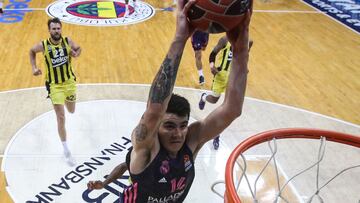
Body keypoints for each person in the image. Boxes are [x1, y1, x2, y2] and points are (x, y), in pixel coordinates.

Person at [119, 0, 252, 201]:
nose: (178, 133)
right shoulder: (146, 147)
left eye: (182, 125)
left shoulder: (190, 141)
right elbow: (154, 111)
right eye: (170, 126)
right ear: (156, 128)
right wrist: (180, 37)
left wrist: (240, 52)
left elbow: (232, 110)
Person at [29, 17, 81, 166]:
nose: (56, 31)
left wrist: (76, 53)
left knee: (71, 110)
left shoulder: (67, 41)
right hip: (54, 85)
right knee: (61, 117)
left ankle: (64, 100)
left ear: (61, 29)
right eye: (54, 29)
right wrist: (34, 68)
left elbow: (79, 48)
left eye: (58, 28)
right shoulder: (44, 45)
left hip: (69, 82)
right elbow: (31, 51)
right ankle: (66, 150)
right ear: (49, 30)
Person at [198, 36, 253, 150]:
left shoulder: (248, 41)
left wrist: (244, 67)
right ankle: (204, 97)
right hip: (221, 75)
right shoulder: (224, 40)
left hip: (234, 78)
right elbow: (212, 54)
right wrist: (212, 66)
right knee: (214, 99)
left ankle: (217, 134)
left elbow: (245, 57)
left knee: (227, 108)